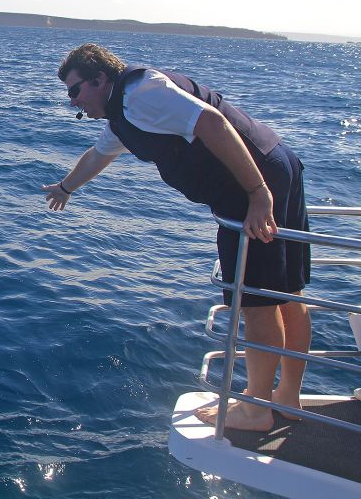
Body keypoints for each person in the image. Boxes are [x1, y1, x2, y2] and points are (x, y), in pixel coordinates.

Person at [42, 43, 311, 432]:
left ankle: (256, 409)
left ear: (100, 80)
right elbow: (99, 154)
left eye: (74, 90)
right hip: (275, 163)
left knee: (255, 300)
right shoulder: (127, 111)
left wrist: (256, 192)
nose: (71, 101)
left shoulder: (140, 96)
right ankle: (287, 397)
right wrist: (66, 188)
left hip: (251, 185)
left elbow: (213, 123)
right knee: (286, 292)